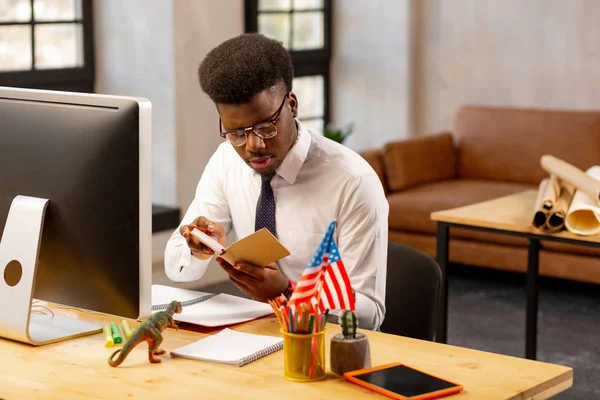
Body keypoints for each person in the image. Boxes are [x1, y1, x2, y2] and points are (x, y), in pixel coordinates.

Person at [164, 33, 388, 330]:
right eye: (236, 133)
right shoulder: (226, 161)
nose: (252, 145)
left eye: (266, 127)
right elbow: (177, 268)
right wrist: (197, 247)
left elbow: (369, 313)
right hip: (257, 333)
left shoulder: (353, 182)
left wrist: (288, 292)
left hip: (325, 345)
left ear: (292, 105)